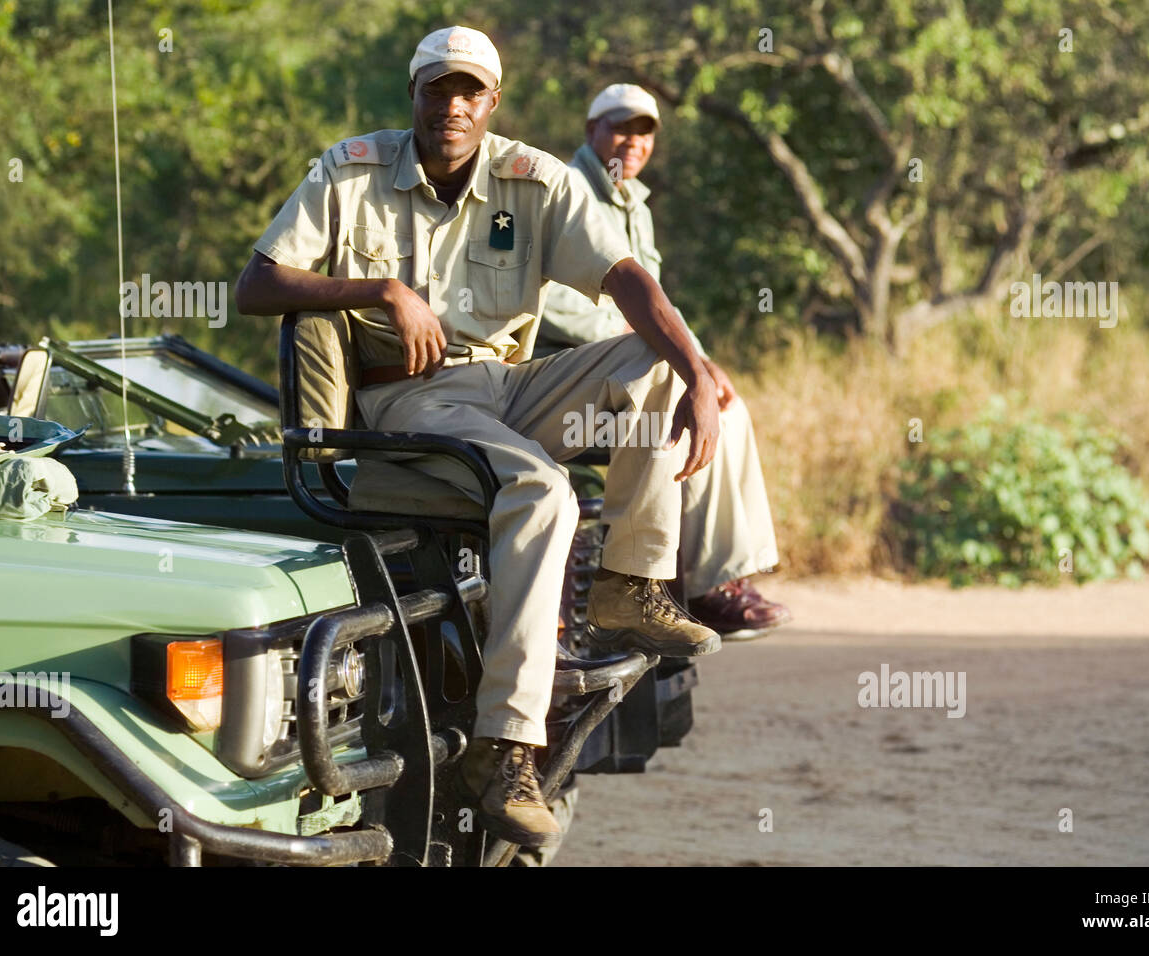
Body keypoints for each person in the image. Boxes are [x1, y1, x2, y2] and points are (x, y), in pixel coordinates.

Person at [234, 27, 723, 850]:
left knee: (658, 359)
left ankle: (629, 583)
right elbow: (257, 284)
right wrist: (382, 289)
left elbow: (627, 279)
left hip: (508, 386)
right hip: (410, 401)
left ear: (493, 103)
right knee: (540, 491)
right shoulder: (350, 170)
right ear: (415, 95)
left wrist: (701, 375)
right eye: (437, 90)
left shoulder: (532, 178)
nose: (452, 107)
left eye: (471, 93)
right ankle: (506, 751)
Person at [538, 84, 791, 640]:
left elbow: (659, 301)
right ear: (592, 131)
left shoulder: (634, 202)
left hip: (631, 363)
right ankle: (701, 586)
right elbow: (551, 302)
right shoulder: (566, 189)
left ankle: (723, 579)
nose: (633, 141)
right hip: (568, 374)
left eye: (645, 131)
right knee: (679, 410)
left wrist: (698, 360)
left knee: (725, 406)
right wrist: (645, 339)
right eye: (621, 127)